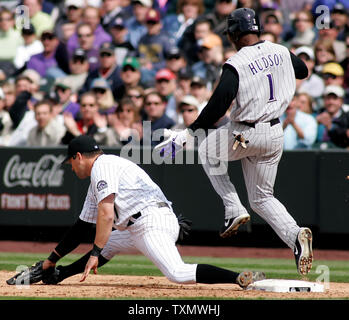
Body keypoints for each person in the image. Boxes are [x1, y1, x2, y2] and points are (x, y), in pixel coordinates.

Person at [155, 8, 313, 276]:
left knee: (206, 150)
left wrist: (188, 133)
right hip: (275, 132)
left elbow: (218, 105)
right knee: (263, 197)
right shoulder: (281, 49)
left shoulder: (236, 63)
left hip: (246, 131)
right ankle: (295, 236)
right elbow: (303, 71)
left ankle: (233, 208)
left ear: (234, 35)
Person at [6, 135, 265, 288]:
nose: (72, 168)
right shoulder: (102, 174)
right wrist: (52, 261)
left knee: (176, 273)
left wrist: (95, 252)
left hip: (150, 222)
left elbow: (106, 216)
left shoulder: (102, 166)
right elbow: (81, 228)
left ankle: (239, 278)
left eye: (71, 163)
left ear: (77, 156)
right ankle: (60, 275)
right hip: (143, 223)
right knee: (109, 245)